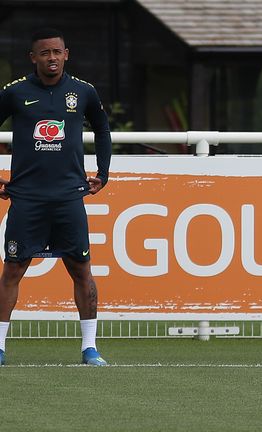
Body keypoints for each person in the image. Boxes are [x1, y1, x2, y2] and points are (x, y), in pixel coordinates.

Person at [0, 28, 112, 366]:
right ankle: (0, 348)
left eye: (57, 52)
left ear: (67, 54)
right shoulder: (15, 93)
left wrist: (103, 173)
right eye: (45, 53)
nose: (52, 58)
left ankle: (90, 349)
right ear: (33, 57)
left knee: (81, 270)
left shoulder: (83, 92)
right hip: (27, 199)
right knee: (12, 270)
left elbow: (102, 128)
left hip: (68, 198)